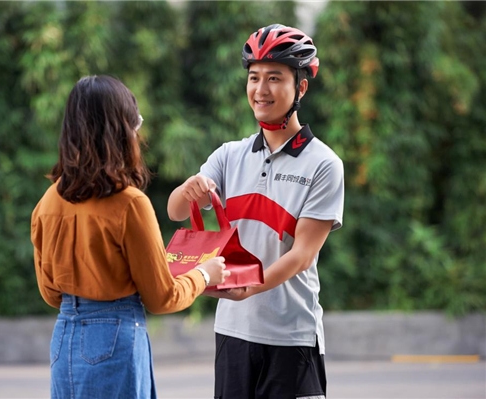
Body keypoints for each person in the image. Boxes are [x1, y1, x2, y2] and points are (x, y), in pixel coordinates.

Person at [167, 24, 344, 399]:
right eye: (254, 77)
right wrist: (188, 188)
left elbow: (302, 254)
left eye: (274, 78)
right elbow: (176, 212)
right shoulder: (229, 155)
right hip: (232, 333)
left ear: (301, 87)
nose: (261, 90)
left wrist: (250, 288)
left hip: (291, 335)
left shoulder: (324, 164)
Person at [31, 75, 229, 399]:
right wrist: (204, 274)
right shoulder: (130, 204)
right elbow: (161, 298)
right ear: (122, 132)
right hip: (114, 339)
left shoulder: (48, 202)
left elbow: (51, 293)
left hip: (64, 336)